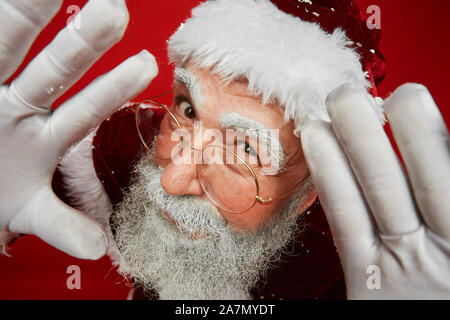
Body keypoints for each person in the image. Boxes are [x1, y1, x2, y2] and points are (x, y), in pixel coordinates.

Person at [0, 0, 449, 299]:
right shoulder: (124, 151)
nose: (171, 180)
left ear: (311, 192)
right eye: (189, 109)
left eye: (245, 149)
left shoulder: (348, 271)